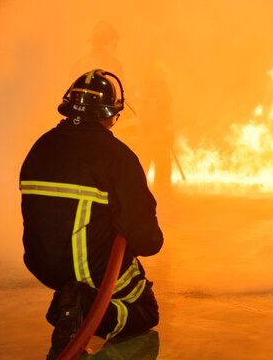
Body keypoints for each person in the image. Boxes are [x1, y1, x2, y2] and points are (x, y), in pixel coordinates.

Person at [19, 69, 164, 359]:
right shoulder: (117, 156)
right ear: (110, 114)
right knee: (146, 311)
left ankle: (70, 299)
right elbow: (148, 240)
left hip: (43, 266)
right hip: (88, 270)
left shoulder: (40, 146)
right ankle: (83, 304)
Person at [134, 61, 175, 190]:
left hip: (148, 135)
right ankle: (162, 197)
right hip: (157, 136)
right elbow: (164, 112)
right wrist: (167, 130)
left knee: (143, 168)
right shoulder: (159, 88)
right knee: (162, 170)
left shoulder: (144, 88)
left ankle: (140, 195)